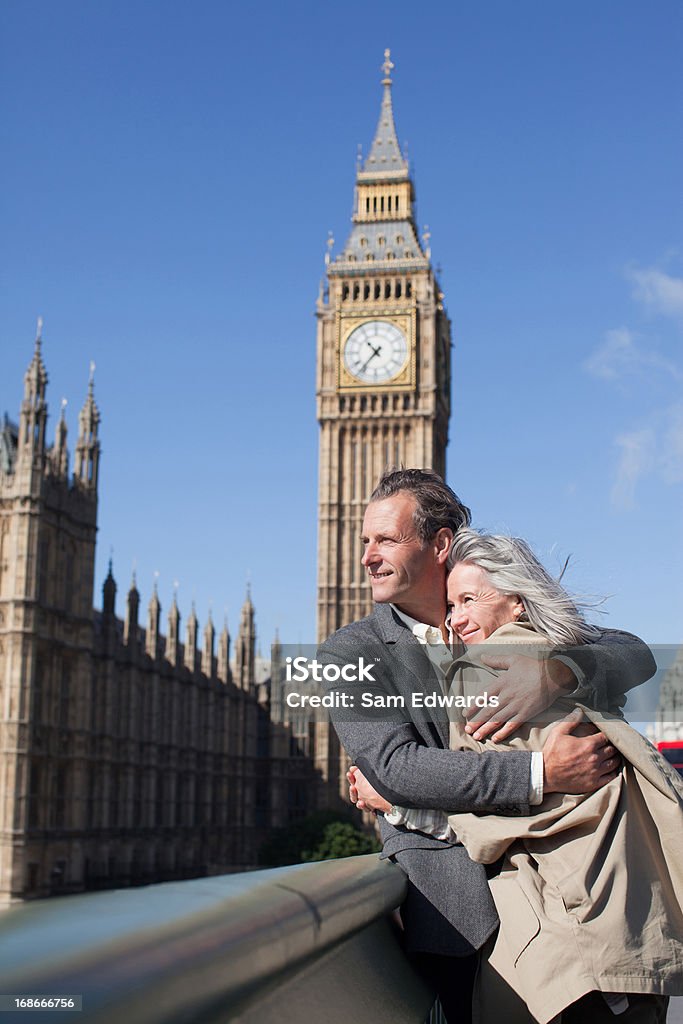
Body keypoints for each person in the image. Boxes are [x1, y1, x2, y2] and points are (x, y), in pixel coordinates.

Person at [317, 468, 656, 1024]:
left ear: (439, 543)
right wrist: (540, 774)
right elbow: (396, 767)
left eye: (385, 540)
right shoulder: (349, 652)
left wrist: (557, 673)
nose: (367, 557)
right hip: (462, 918)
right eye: (363, 542)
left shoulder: (493, 603)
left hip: (583, 897)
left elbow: (634, 652)